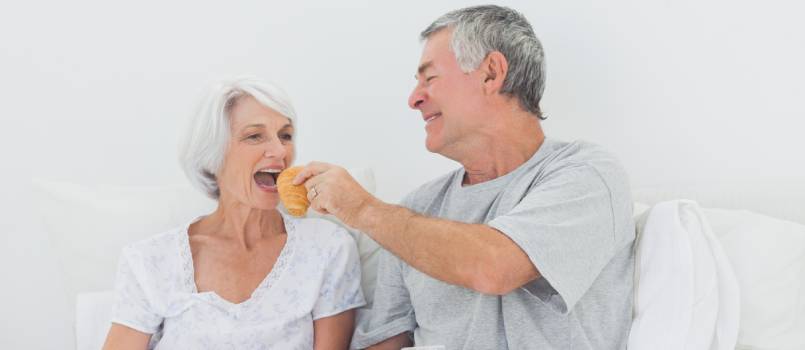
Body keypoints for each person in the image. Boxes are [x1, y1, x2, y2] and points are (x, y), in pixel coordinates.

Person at [293, 5, 635, 350]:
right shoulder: (417, 208)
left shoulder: (587, 175)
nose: (414, 99)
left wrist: (363, 209)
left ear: (491, 73)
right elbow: (385, 340)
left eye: (430, 78)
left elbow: (496, 267)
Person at [102, 77, 365, 349]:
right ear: (213, 154)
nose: (279, 151)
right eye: (254, 136)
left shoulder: (327, 248)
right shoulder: (151, 260)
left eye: (285, 135)